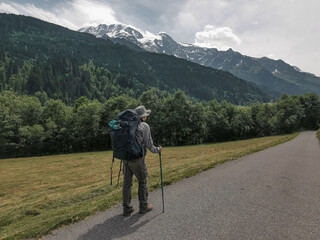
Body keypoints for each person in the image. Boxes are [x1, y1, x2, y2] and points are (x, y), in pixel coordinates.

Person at [122, 105, 163, 216]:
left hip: (125, 158)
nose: (146, 117)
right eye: (145, 115)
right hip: (137, 159)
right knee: (142, 181)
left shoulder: (127, 125)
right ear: (143, 117)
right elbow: (149, 145)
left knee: (127, 183)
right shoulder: (144, 126)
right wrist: (157, 150)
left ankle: (126, 208)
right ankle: (143, 207)